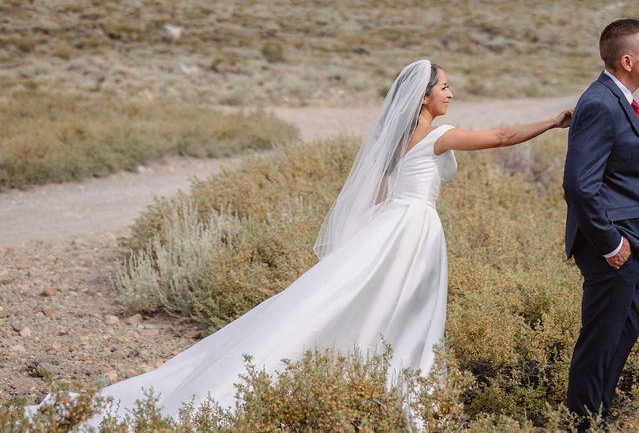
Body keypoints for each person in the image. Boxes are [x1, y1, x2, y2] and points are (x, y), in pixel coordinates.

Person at [86, 59, 572, 421]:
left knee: (366, 301)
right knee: (402, 308)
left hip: (395, 224)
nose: (450, 93)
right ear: (423, 98)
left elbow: (378, 192)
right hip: (414, 228)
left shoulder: (397, 139)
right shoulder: (438, 135)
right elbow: (505, 136)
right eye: (444, 87)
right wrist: (553, 121)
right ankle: (398, 390)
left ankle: (374, 384)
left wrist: (370, 234)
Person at [562, 19, 639, 428]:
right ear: (627, 60)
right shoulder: (602, 103)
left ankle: (596, 416)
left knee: (622, 333)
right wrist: (610, 242)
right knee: (601, 340)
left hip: (627, 241)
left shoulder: (617, 98)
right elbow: (578, 185)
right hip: (610, 246)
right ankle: (583, 423)